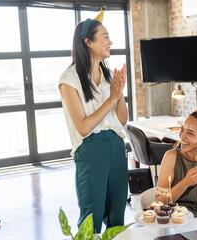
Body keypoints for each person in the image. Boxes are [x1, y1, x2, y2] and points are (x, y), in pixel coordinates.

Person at [58, 8, 128, 233]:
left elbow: (123, 119)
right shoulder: (69, 79)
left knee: (117, 213)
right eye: (105, 37)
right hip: (90, 149)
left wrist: (120, 92)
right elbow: (83, 126)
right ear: (88, 42)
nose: (111, 42)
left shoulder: (108, 74)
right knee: (91, 218)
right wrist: (112, 99)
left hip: (116, 146)